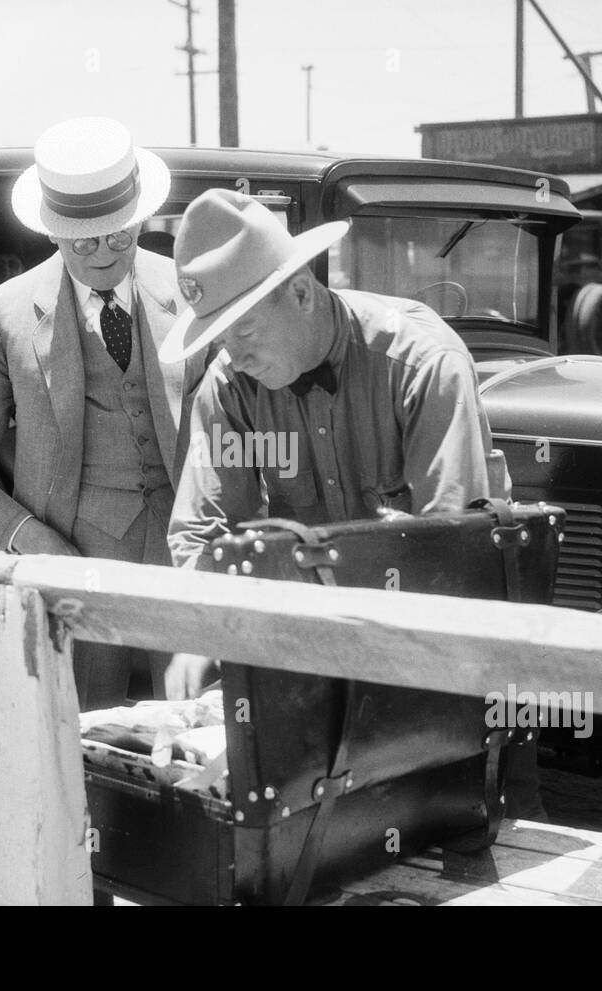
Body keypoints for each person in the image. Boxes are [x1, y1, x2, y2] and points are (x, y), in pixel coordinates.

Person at [157, 189, 543, 818]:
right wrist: (208, 624)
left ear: (302, 294)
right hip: (319, 690)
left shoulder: (422, 362)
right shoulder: (229, 392)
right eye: (219, 339)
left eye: (246, 330)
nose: (234, 355)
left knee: (490, 842)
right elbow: (200, 535)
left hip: (453, 677)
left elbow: (448, 550)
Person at [0, 117, 202, 709]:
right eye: (84, 241)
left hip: (188, 564)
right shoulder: (5, 316)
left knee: (203, 745)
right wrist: (27, 538)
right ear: (53, 232)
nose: (104, 253)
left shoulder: (191, 291)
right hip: (75, 571)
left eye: (120, 235)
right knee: (80, 748)